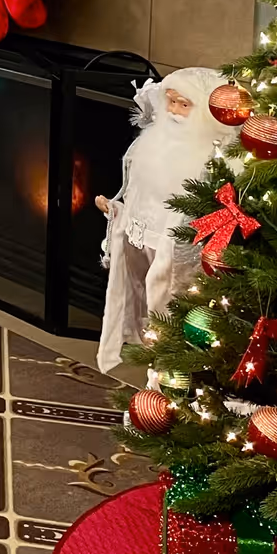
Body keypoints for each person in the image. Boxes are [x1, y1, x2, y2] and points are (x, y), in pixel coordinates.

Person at [95, 66, 237, 378]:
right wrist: (117, 210)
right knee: (142, 297)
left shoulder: (209, 158)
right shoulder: (153, 144)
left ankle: (165, 380)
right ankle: (150, 361)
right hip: (141, 235)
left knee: (168, 309)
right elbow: (138, 190)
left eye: (183, 104)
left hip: (175, 248)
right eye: (169, 102)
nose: (173, 110)